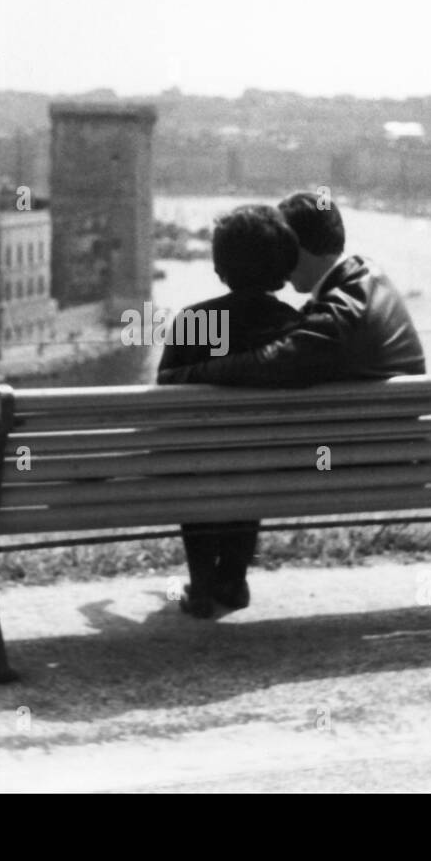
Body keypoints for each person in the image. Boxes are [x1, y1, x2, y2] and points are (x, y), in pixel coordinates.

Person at [157, 204, 303, 618]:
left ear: (221, 266)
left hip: (198, 463)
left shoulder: (199, 320)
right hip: (264, 463)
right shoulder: (292, 325)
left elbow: (164, 399)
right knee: (251, 454)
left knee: (195, 460)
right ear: (283, 266)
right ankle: (234, 578)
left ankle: (202, 582)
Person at [157, 191, 426, 388]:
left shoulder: (340, 311)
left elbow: (274, 363)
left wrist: (180, 378)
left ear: (294, 247)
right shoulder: (364, 280)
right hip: (387, 441)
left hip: (373, 450)